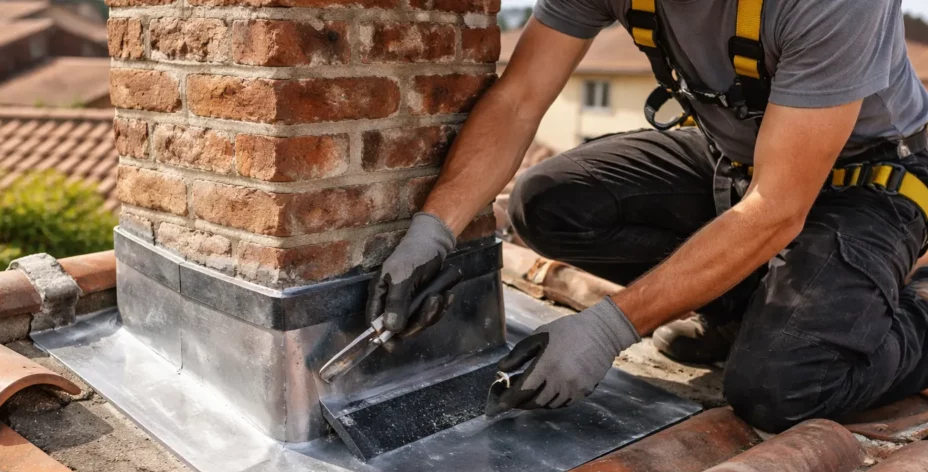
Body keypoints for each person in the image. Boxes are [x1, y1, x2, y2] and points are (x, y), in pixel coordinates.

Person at [366, 0, 928, 433]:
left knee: (782, 385)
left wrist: (608, 329)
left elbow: (777, 207)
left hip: (868, 179)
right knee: (548, 202)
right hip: (738, 157)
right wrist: (432, 231)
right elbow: (520, 98)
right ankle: (741, 307)